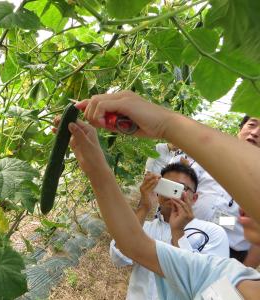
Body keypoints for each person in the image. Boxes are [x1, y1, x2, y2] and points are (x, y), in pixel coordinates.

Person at [66, 90, 260, 299]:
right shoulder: (223, 275)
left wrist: (166, 124)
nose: (244, 205)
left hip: (222, 244)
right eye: (252, 124)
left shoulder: (219, 251)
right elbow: (132, 246)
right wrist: (96, 168)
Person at [109, 163, 229, 300]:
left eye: (180, 188)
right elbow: (118, 258)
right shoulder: (144, 227)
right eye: (167, 186)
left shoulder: (213, 233)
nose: (172, 194)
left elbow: (211, 288)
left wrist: (178, 233)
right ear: (158, 191)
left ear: (194, 198)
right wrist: (144, 207)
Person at [169, 116, 260, 265]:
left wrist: (243, 270)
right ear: (240, 128)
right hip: (186, 236)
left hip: (229, 256)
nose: (255, 133)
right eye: (251, 125)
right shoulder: (210, 157)